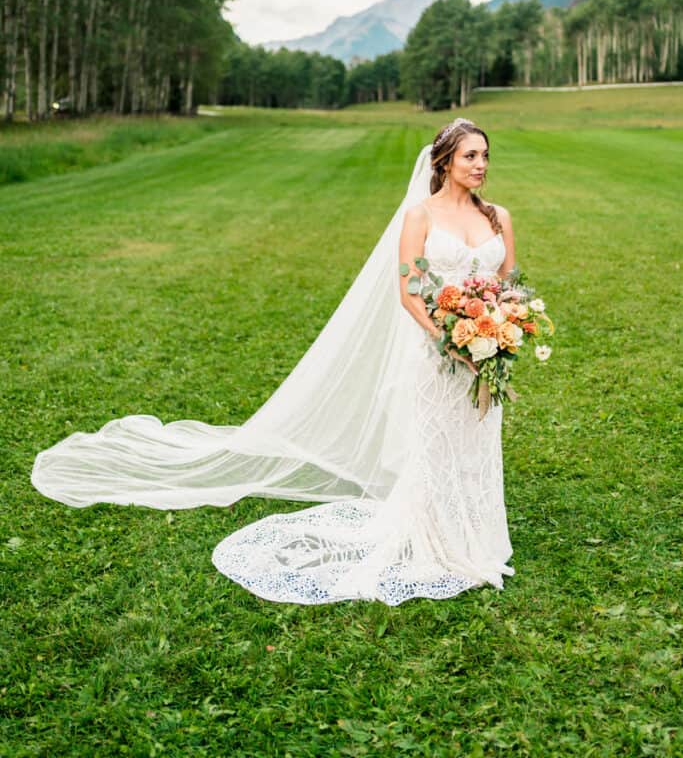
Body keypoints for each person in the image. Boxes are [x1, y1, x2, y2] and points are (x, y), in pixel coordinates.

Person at [32, 117, 516, 605]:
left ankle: (479, 535)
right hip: (436, 355)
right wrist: (447, 341)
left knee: (476, 438)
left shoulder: (498, 217)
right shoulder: (420, 216)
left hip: (485, 350)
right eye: (470, 156)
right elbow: (410, 291)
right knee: (434, 442)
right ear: (445, 161)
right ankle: (435, 537)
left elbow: (507, 284)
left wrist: (500, 331)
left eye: (485, 156)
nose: (480, 166)